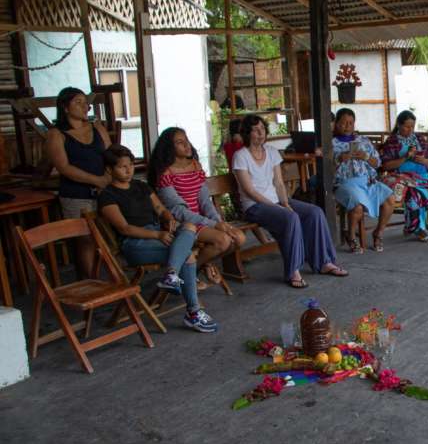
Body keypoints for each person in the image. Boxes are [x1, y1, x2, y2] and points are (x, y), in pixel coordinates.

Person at [97, 145, 219, 333]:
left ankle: (172, 275)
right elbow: (124, 228)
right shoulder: (107, 195)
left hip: (158, 234)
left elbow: (161, 209)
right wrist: (157, 235)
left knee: (189, 226)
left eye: (130, 165)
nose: (128, 170)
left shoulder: (141, 186)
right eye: (122, 167)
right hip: (135, 244)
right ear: (109, 169)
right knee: (187, 255)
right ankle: (193, 312)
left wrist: (168, 219)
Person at [232, 114, 347, 288]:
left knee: (314, 212)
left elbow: (279, 182)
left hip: (276, 201)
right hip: (254, 206)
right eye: (255, 130)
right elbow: (250, 191)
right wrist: (279, 208)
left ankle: (324, 262)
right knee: (290, 217)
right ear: (247, 133)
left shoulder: (271, 151)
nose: (260, 133)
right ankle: (293, 270)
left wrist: (285, 203)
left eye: (262, 129)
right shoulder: (240, 156)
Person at [148, 127, 247, 287]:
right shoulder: (165, 173)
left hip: (203, 220)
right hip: (183, 224)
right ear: (169, 148)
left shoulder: (195, 165)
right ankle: (190, 272)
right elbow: (178, 211)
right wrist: (214, 225)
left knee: (239, 238)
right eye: (180, 142)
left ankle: (197, 266)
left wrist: (218, 221)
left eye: (186, 140)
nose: (186, 145)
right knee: (222, 240)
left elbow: (205, 201)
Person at [45, 87, 113, 278]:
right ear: (65, 107)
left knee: (107, 236)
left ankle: (111, 279)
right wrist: (96, 180)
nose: (85, 107)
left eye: (86, 103)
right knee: (85, 239)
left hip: (103, 190)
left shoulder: (97, 128)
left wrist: (108, 177)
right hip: (76, 194)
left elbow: (111, 155)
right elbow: (64, 167)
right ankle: (90, 282)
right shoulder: (56, 134)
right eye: (78, 102)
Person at [331, 108, 394, 253]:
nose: (347, 126)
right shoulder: (331, 144)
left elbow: (377, 163)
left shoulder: (363, 141)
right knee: (357, 206)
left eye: (351, 123)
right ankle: (351, 236)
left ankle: (378, 233)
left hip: (367, 182)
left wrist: (366, 157)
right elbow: (326, 170)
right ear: (336, 124)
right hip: (344, 184)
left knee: (390, 199)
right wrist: (339, 159)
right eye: (343, 123)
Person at [380, 111, 428, 242]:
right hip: (403, 177)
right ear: (399, 125)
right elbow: (386, 166)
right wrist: (406, 157)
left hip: (424, 177)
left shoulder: (419, 138)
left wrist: (424, 160)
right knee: (414, 194)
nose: (410, 129)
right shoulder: (392, 141)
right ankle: (418, 228)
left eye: (412, 126)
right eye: (407, 126)